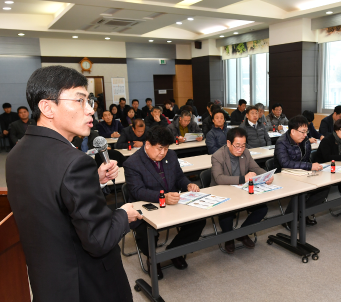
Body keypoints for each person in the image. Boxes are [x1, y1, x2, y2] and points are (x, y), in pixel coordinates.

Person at [6, 65, 141, 302]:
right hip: (87, 283)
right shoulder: (73, 161)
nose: (91, 110)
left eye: (89, 101)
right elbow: (98, 240)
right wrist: (123, 214)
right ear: (47, 107)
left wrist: (93, 180)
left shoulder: (17, 152)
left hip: (48, 279)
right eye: (80, 100)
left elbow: (48, 196)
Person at [124, 126, 206, 279]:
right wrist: (162, 197)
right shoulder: (132, 163)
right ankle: (152, 260)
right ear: (147, 144)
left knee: (198, 221)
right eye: (160, 148)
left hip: (173, 203)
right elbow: (137, 191)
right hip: (145, 207)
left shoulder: (172, 156)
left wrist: (188, 184)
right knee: (146, 230)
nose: (163, 153)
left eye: (166, 148)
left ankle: (175, 251)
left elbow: (179, 177)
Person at [210, 127, 273, 254]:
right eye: (237, 146)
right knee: (226, 213)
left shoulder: (246, 153)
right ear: (228, 143)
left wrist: (267, 175)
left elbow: (255, 167)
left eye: (243, 146)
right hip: (223, 192)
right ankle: (228, 238)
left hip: (241, 191)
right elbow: (219, 179)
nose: (240, 149)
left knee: (262, 209)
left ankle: (242, 233)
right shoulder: (217, 156)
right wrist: (243, 178)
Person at [274, 115, 330, 226]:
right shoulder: (281, 142)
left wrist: (311, 168)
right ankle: (288, 220)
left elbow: (306, 158)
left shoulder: (305, 141)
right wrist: (309, 167)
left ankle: (301, 214)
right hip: (283, 174)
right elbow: (285, 163)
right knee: (302, 191)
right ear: (293, 131)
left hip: (301, 172)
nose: (306, 135)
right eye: (303, 132)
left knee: (324, 188)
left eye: (306, 132)